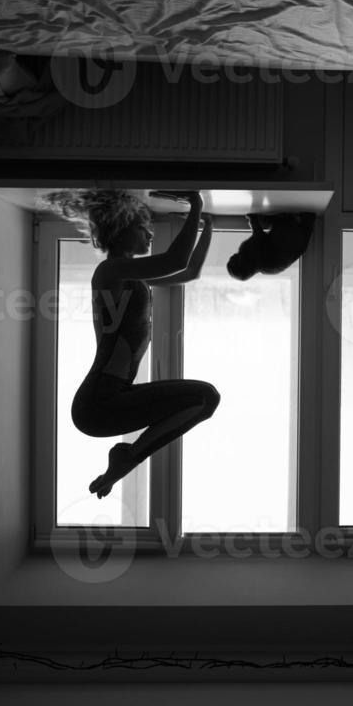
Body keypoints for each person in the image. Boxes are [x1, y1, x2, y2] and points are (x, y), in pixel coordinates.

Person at [44, 188, 219, 500]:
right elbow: (176, 259)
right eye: (143, 228)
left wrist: (206, 227)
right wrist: (196, 203)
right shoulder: (110, 272)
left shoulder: (132, 279)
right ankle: (127, 458)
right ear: (121, 229)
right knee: (205, 398)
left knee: (204, 400)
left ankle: (127, 458)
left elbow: (189, 271)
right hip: (99, 400)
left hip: (109, 398)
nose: (150, 235)